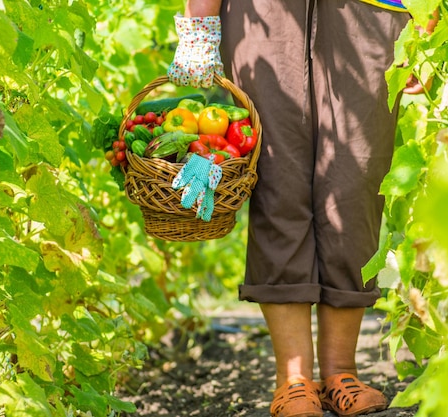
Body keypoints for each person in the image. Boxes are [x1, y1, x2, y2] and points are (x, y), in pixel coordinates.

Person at [167, 1, 433, 416]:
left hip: (373, 9)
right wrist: (199, 19)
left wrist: (426, 22)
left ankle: (340, 373)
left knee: (356, 182)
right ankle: (293, 380)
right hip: (262, 11)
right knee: (276, 179)